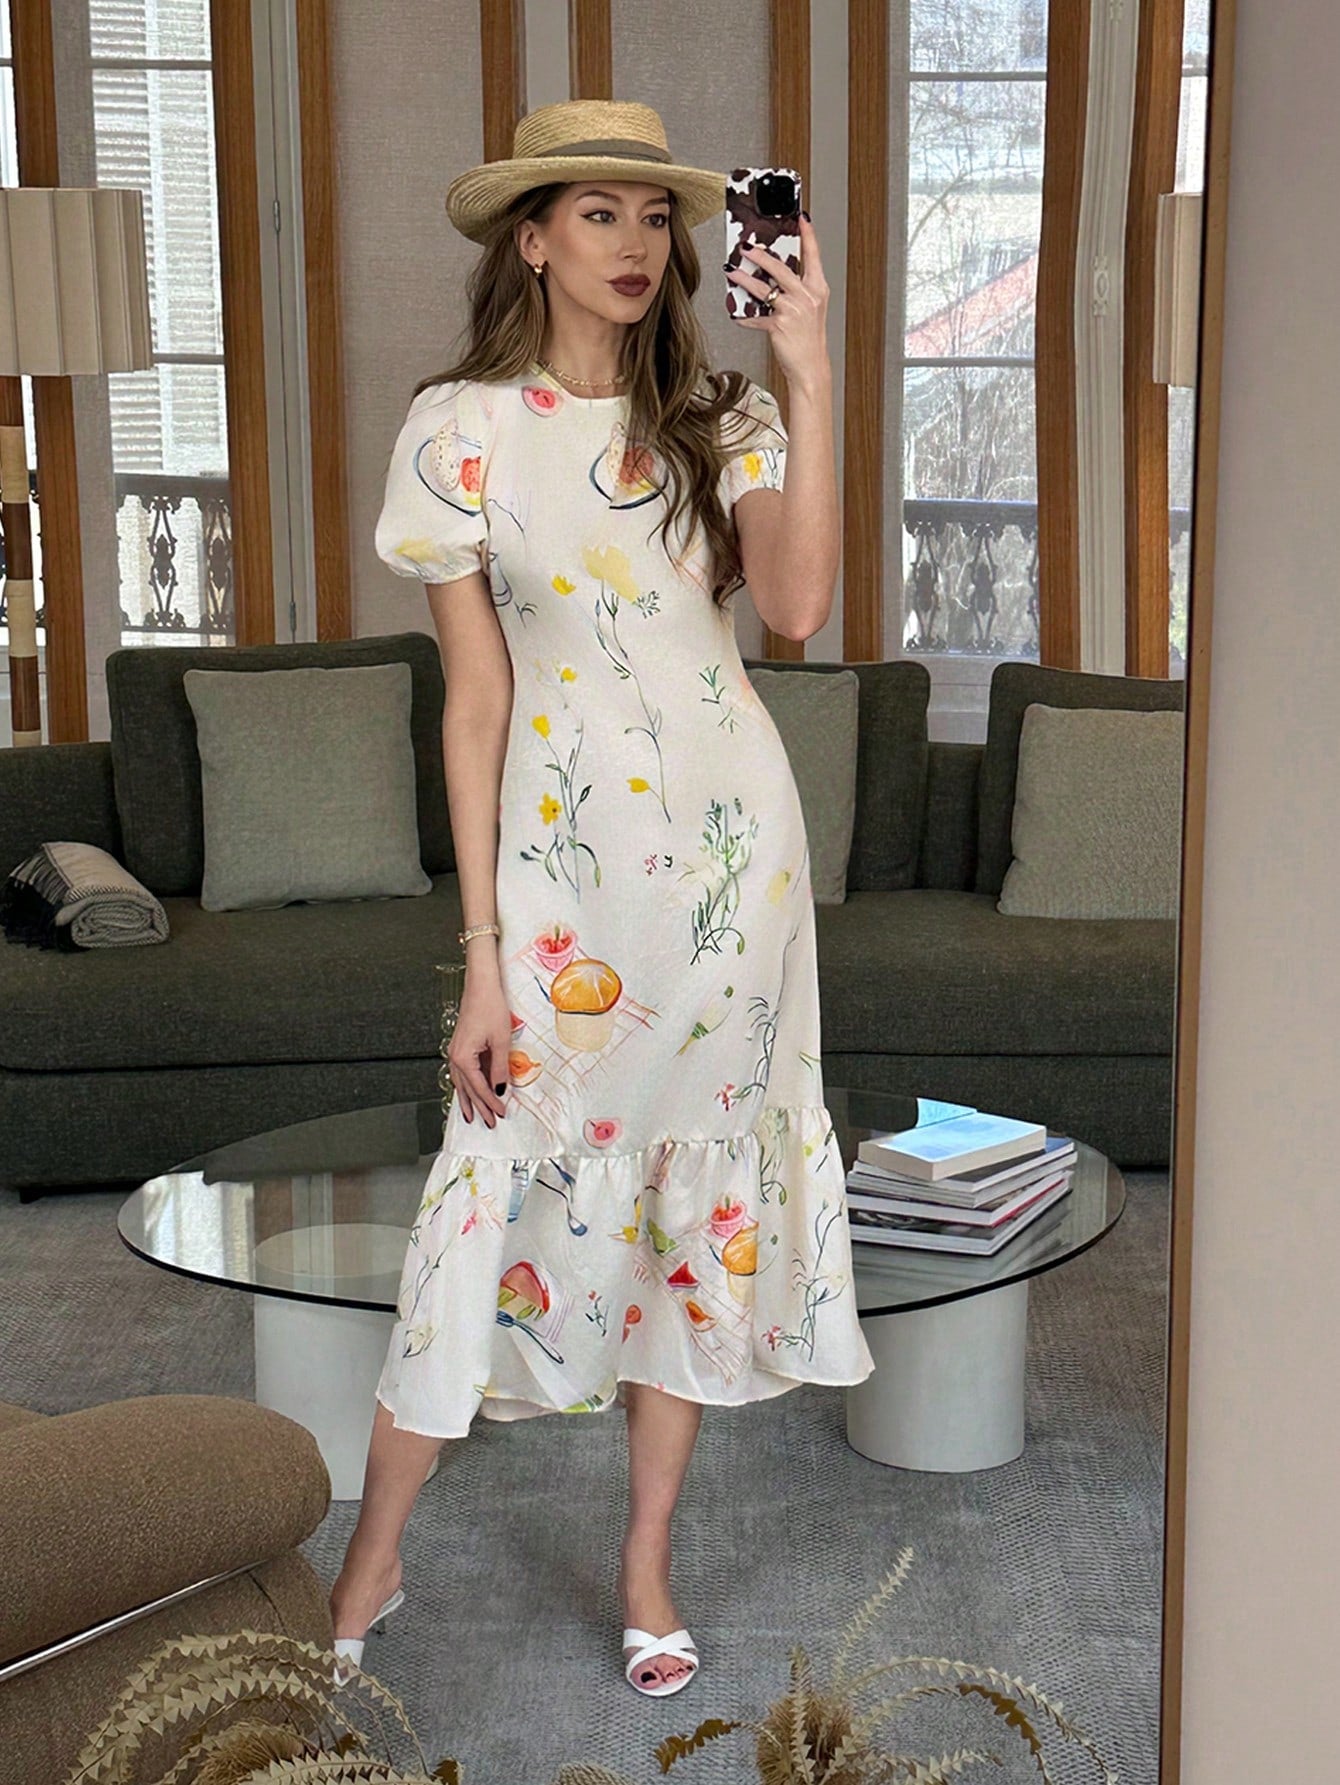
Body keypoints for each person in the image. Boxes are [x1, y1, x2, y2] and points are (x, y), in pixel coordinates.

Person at [329, 97, 875, 1700]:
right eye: (598, 213)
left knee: (689, 1212)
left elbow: (795, 605)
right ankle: (373, 1554)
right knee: (482, 1199)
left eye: (655, 217)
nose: (635, 245)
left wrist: (811, 364)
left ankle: (645, 1564)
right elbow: (476, 705)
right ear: (532, 238)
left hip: (730, 878)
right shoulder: (461, 431)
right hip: (564, 895)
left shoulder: (723, 415)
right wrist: (482, 957)